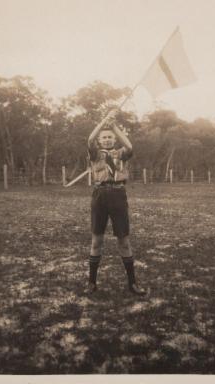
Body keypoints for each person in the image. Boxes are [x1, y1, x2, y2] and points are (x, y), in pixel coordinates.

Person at [87, 108, 146, 296]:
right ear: (99, 140)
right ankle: (91, 283)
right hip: (100, 195)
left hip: (118, 195)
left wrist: (114, 126)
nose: (107, 140)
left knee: (124, 240)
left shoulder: (121, 153)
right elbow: (89, 139)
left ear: (114, 139)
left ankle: (132, 283)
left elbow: (130, 147)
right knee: (97, 240)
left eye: (110, 137)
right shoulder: (95, 154)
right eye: (103, 137)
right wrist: (103, 121)